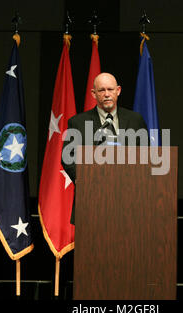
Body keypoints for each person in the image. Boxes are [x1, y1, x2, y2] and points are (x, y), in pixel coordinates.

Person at [62, 72, 148, 223]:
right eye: (102, 90)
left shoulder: (135, 121)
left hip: (129, 203)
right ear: (93, 94)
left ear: (118, 91)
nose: (107, 94)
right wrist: (87, 179)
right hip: (91, 202)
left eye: (110, 89)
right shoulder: (78, 122)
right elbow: (68, 158)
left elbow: (146, 156)